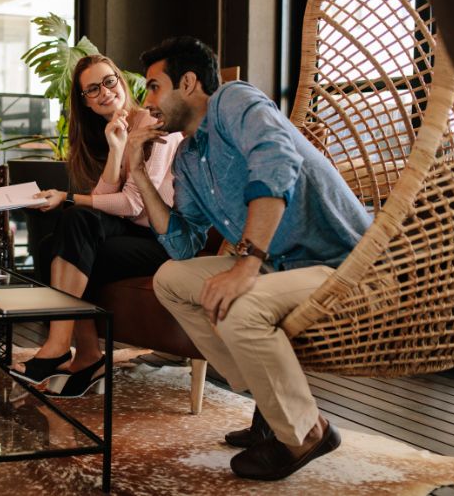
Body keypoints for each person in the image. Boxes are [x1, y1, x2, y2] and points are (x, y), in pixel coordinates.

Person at [124, 36, 372, 480]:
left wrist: (248, 263)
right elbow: (182, 245)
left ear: (188, 82)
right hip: (281, 267)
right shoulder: (188, 156)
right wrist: (138, 171)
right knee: (170, 279)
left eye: (154, 87)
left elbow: (276, 160)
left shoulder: (233, 101)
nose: (148, 102)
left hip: (341, 264)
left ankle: (307, 433)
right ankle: (271, 405)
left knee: (242, 307)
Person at [10, 54, 183, 398]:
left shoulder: (153, 123)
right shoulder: (113, 131)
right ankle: (88, 355)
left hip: (164, 238)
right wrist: (116, 149)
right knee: (52, 244)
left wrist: (67, 197)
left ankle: (59, 346)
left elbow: (133, 204)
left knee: (74, 220)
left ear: (121, 80)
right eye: (92, 89)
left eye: (108, 81)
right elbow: (104, 200)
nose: (104, 92)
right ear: (86, 102)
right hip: (132, 232)